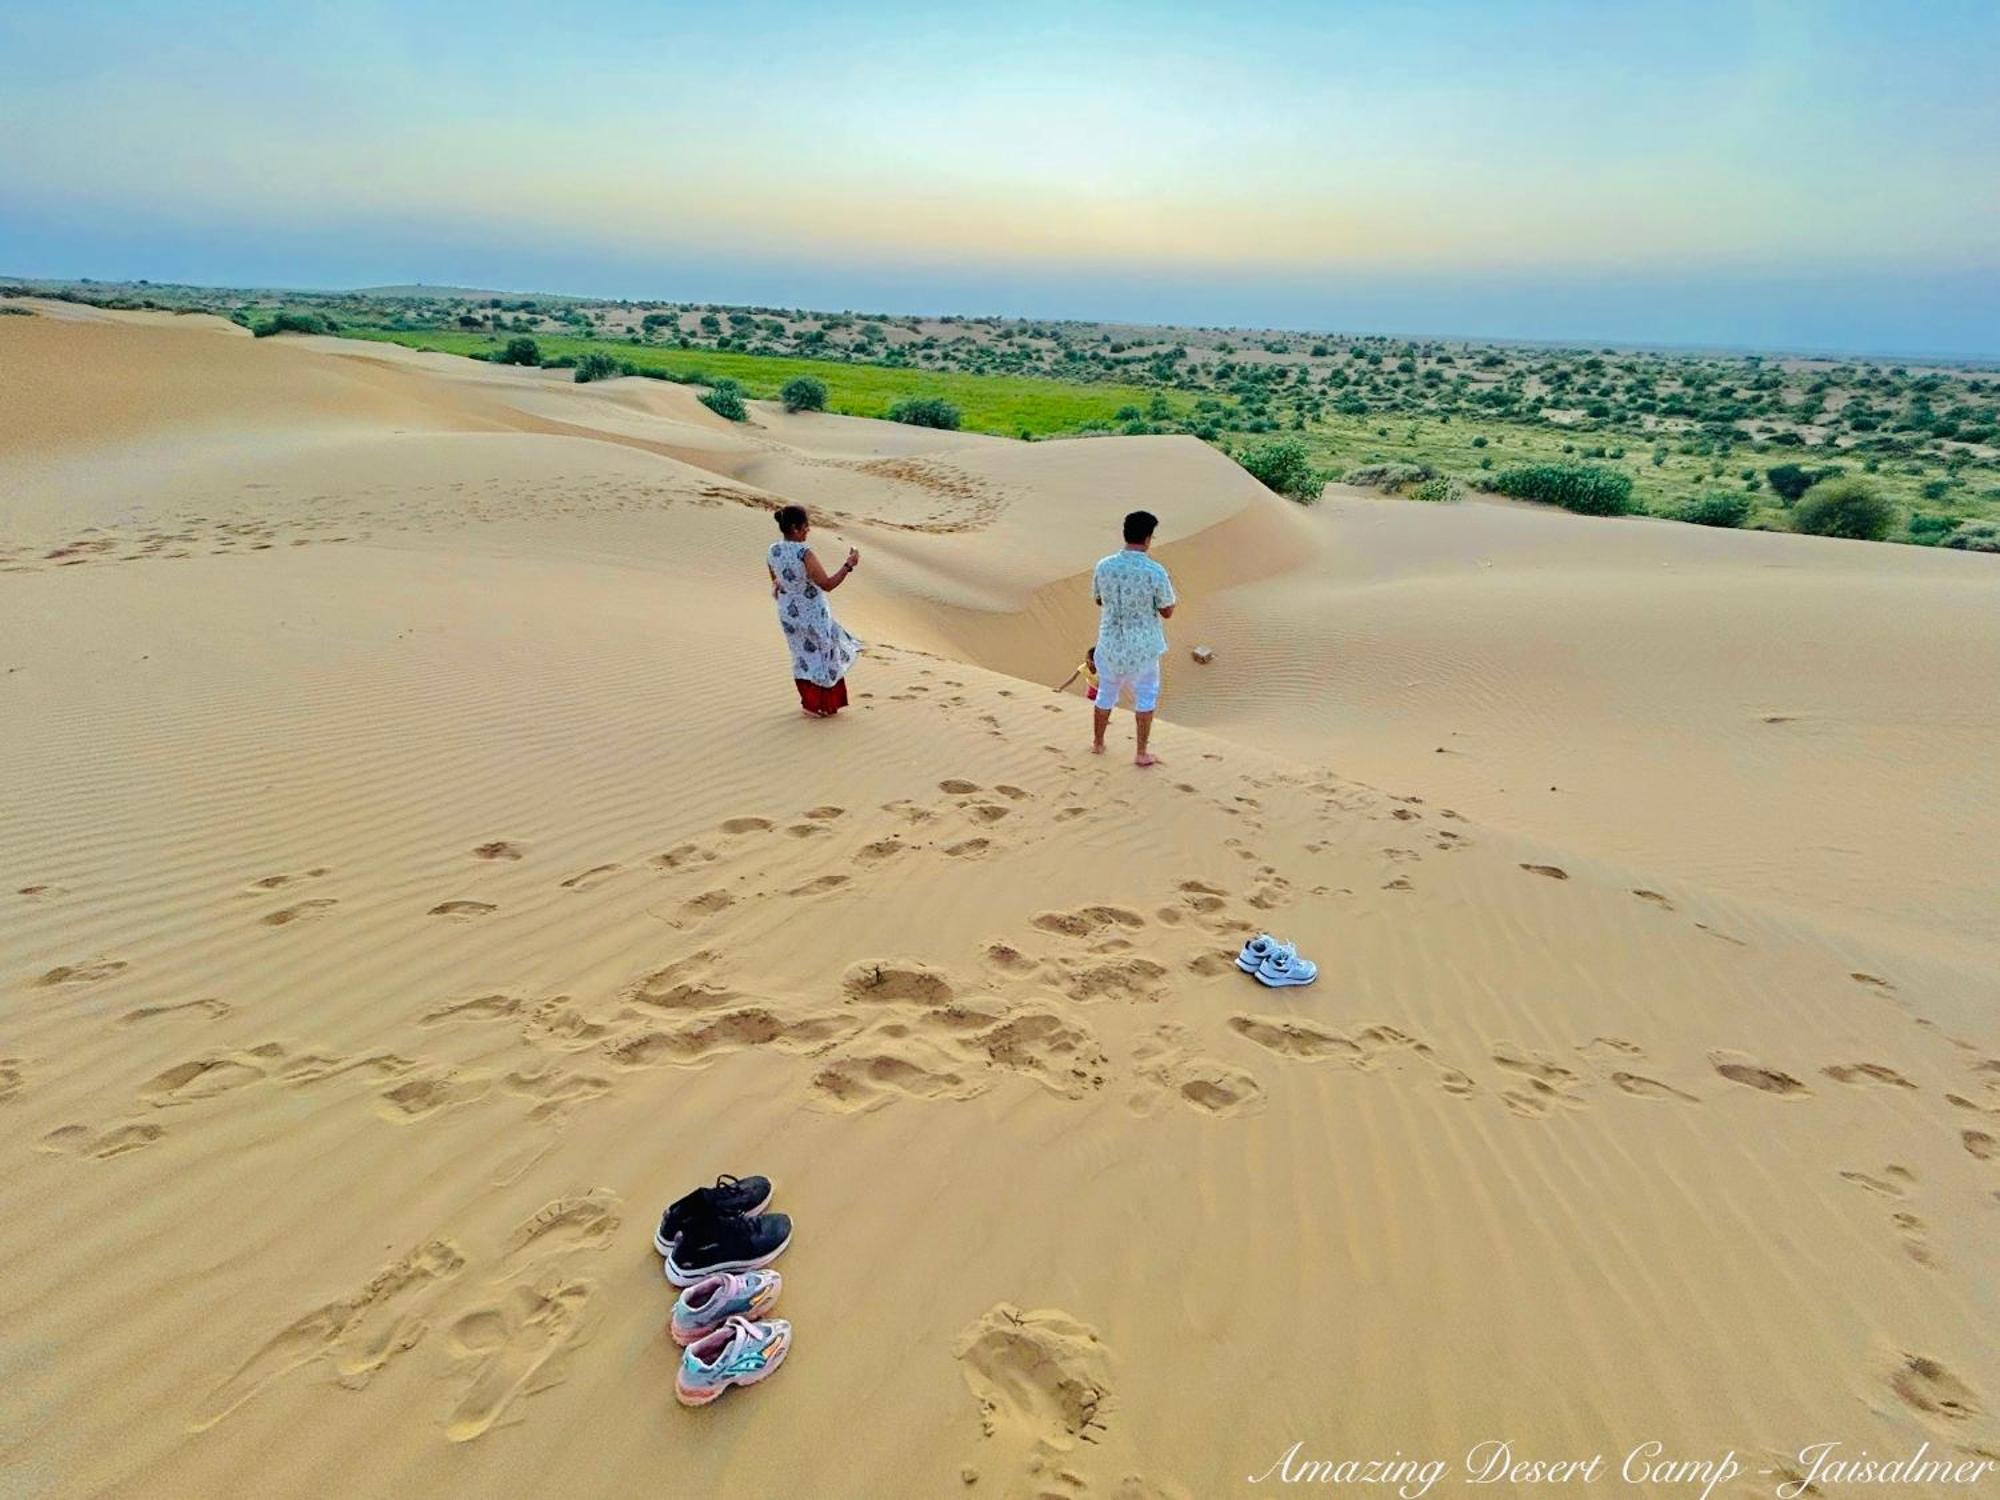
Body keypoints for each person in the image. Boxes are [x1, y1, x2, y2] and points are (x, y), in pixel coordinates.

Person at [1090, 510, 1176, 766]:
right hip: (1143, 647)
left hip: (1109, 642)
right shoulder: (1155, 571)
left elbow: (1097, 599)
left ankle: (1097, 743)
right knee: (1146, 696)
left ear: (1125, 533)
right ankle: (1141, 753)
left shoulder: (1104, 565)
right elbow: (1167, 610)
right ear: (1149, 537)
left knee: (1106, 692)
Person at [767, 504, 861, 717]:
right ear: (795, 528)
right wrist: (848, 565)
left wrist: (790, 590)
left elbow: (776, 581)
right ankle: (822, 706)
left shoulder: (773, 550)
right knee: (823, 656)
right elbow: (826, 584)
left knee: (801, 656)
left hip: (789, 615)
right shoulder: (804, 553)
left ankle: (809, 704)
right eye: (806, 526)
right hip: (812, 615)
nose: (808, 530)